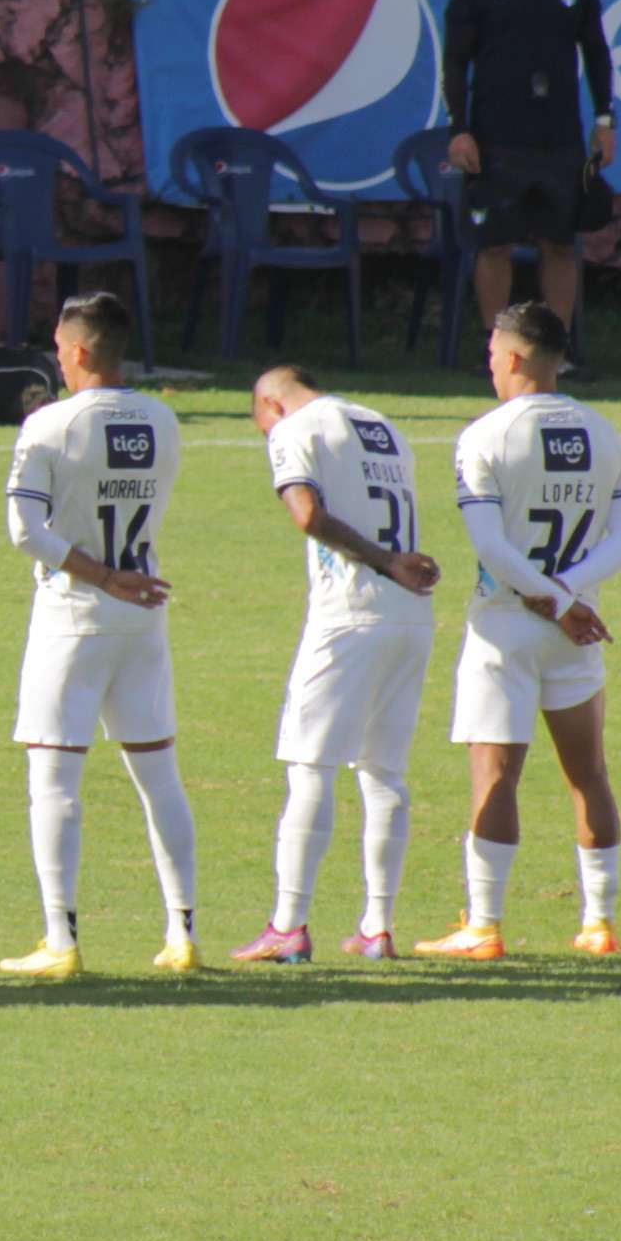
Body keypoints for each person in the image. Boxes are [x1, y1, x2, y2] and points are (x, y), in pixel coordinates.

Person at [421, 302, 621, 961]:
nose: (489, 364)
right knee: (590, 774)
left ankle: (484, 926)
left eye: (493, 353)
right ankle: (599, 924)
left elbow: (491, 546)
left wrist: (549, 597)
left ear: (515, 357)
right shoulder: (605, 433)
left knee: (495, 775)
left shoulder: (485, 436)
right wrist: (572, 596)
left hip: (507, 629)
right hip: (578, 631)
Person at [0, 291, 199, 979]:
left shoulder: (48, 425)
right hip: (144, 610)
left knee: (53, 778)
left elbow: (25, 530)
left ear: (80, 350)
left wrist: (99, 576)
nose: (56, 357)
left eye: (59, 347)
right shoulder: (164, 420)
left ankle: (62, 940)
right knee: (158, 774)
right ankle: (183, 933)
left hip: (75, 615)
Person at [235, 367, 439, 966]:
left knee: (311, 767)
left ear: (271, 404)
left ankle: (288, 924)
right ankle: (377, 926)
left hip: (350, 615)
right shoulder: (382, 425)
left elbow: (306, 514)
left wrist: (382, 562)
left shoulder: (296, 428)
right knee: (385, 774)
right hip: (411, 620)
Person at [443, 0, 614, 362]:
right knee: (494, 245)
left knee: (559, 243)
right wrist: (459, 128)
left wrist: (605, 120)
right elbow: (455, 63)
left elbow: (596, 54)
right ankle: (497, 347)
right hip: (497, 139)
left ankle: (553, 349)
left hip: (559, 138)